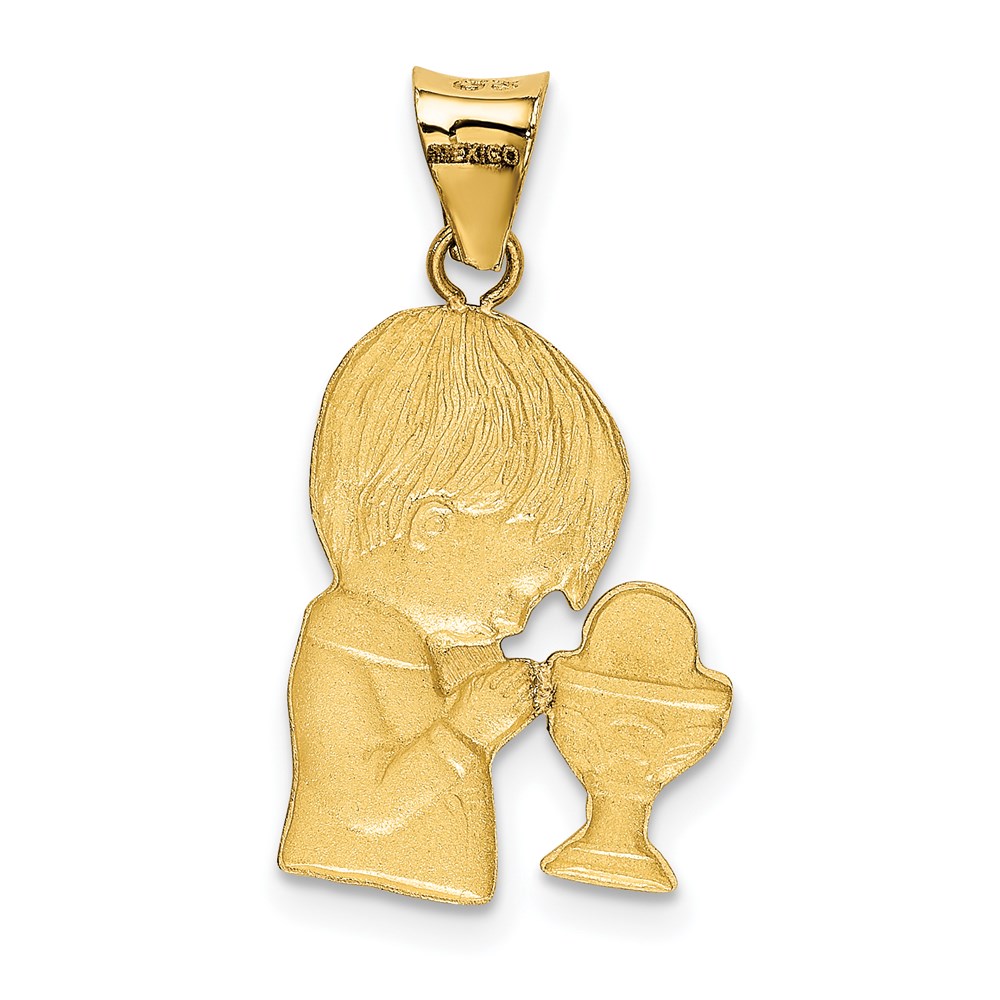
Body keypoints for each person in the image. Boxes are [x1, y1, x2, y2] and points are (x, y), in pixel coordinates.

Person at [278, 305, 629, 903]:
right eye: (516, 591)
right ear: (433, 528)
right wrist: (468, 730)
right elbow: (361, 807)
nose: (516, 622)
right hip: (344, 881)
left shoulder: (454, 638)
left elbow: (482, 708)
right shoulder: (342, 636)